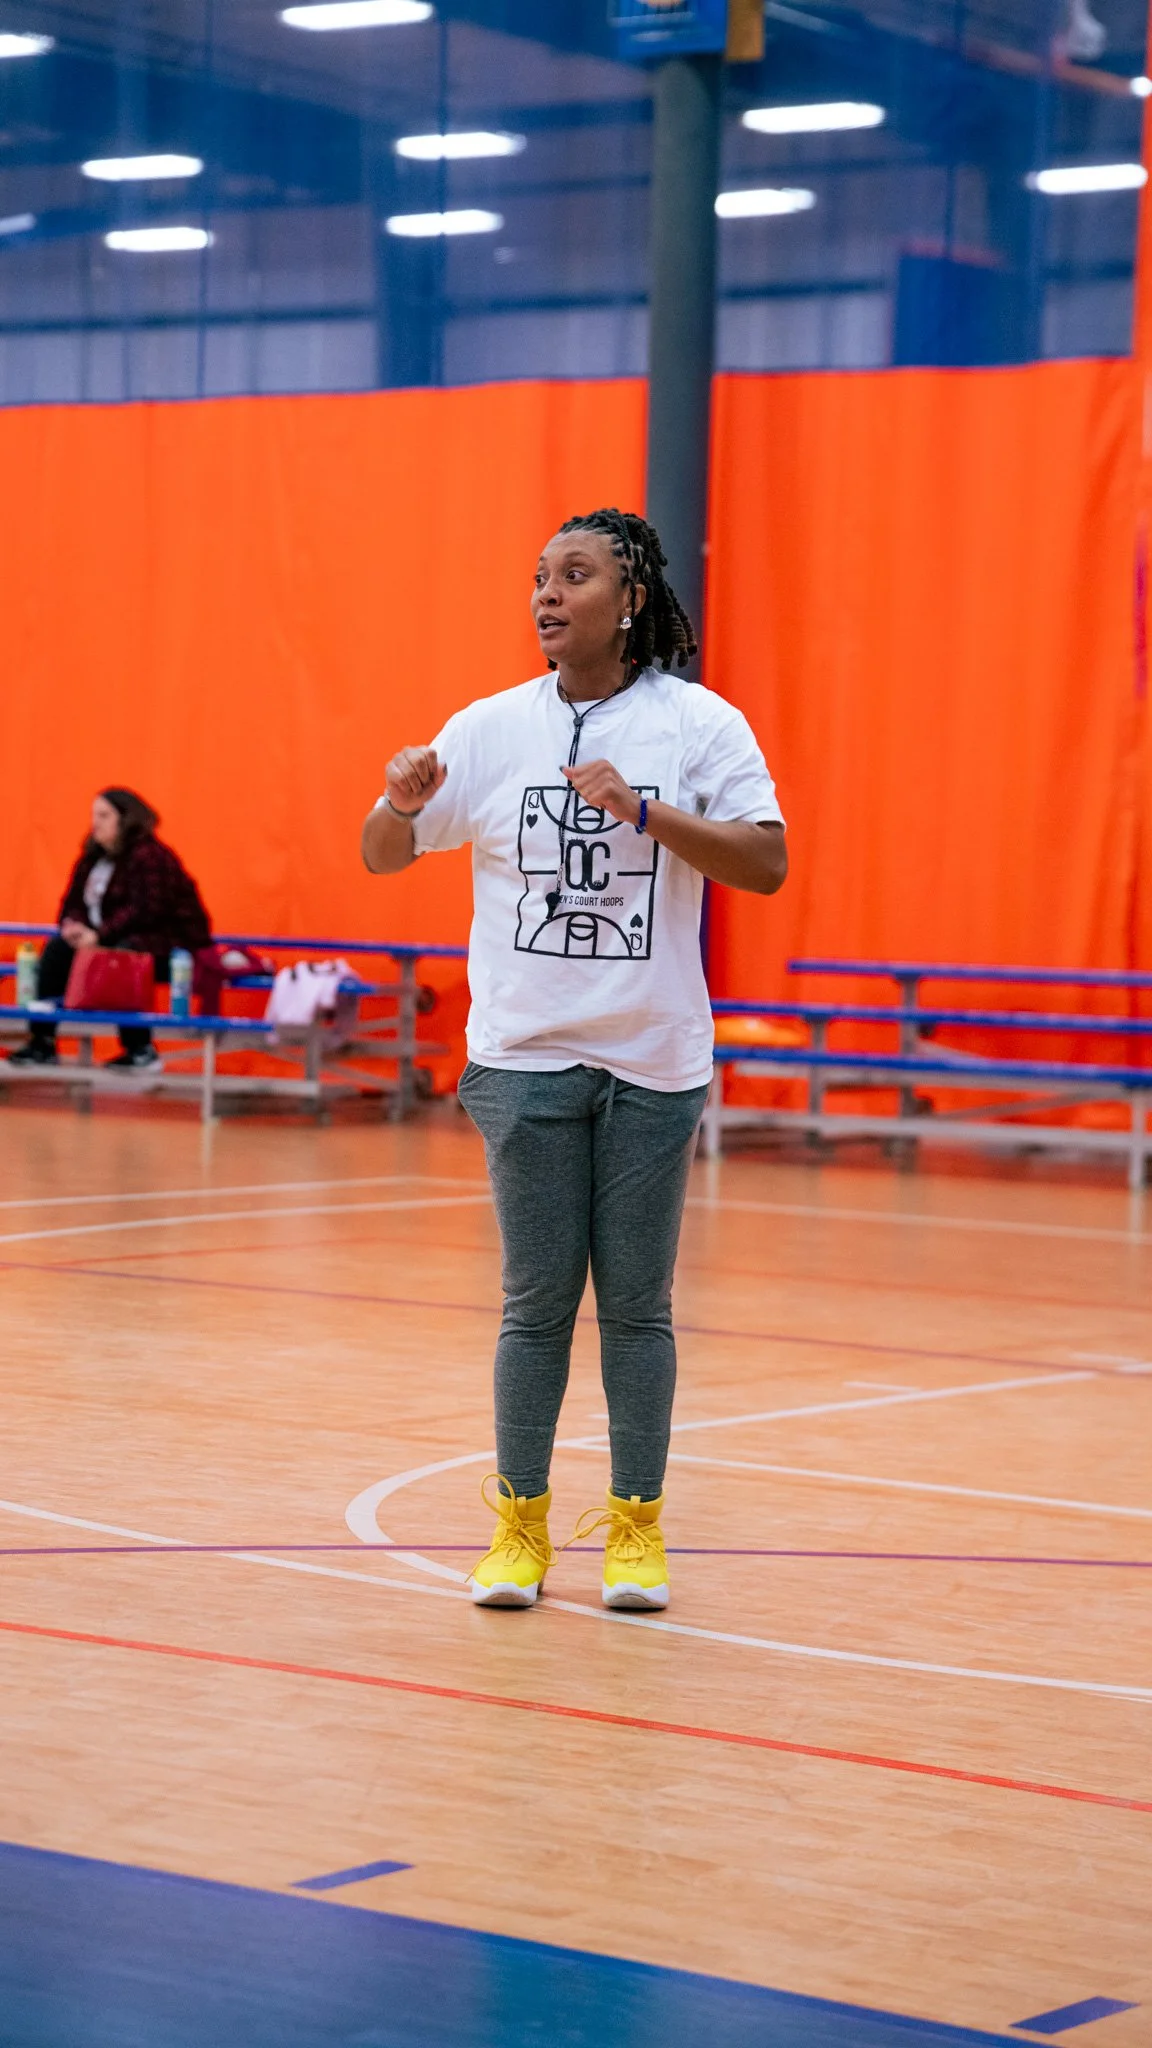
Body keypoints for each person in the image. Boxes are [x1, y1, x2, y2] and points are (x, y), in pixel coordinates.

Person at [361, 508, 787, 1612]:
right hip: (524, 1058)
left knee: (637, 1306)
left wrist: (645, 810)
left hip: (650, 1060)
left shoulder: (699, 723)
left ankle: (636, 1535)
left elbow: (768, 861)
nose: (548, 595)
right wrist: (401, 803)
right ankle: (518, 1532)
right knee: (535, 1303)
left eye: (577, 575)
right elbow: (381, 850)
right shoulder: (492, 725)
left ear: (631, 597)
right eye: (540, 577)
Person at [7, 787, 211, 1070]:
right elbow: (72, 901)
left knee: (123, 956)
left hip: (165, 947)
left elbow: (146, 910)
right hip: (104, 941)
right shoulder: (91, 856)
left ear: (126, 819)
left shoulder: (150, 856)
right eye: (93, 815)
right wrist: (73, 927)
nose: (96, 823)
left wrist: (100, 936)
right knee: (56, 950)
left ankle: (140, 1049)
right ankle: (42, 1042)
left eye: (104, 816)